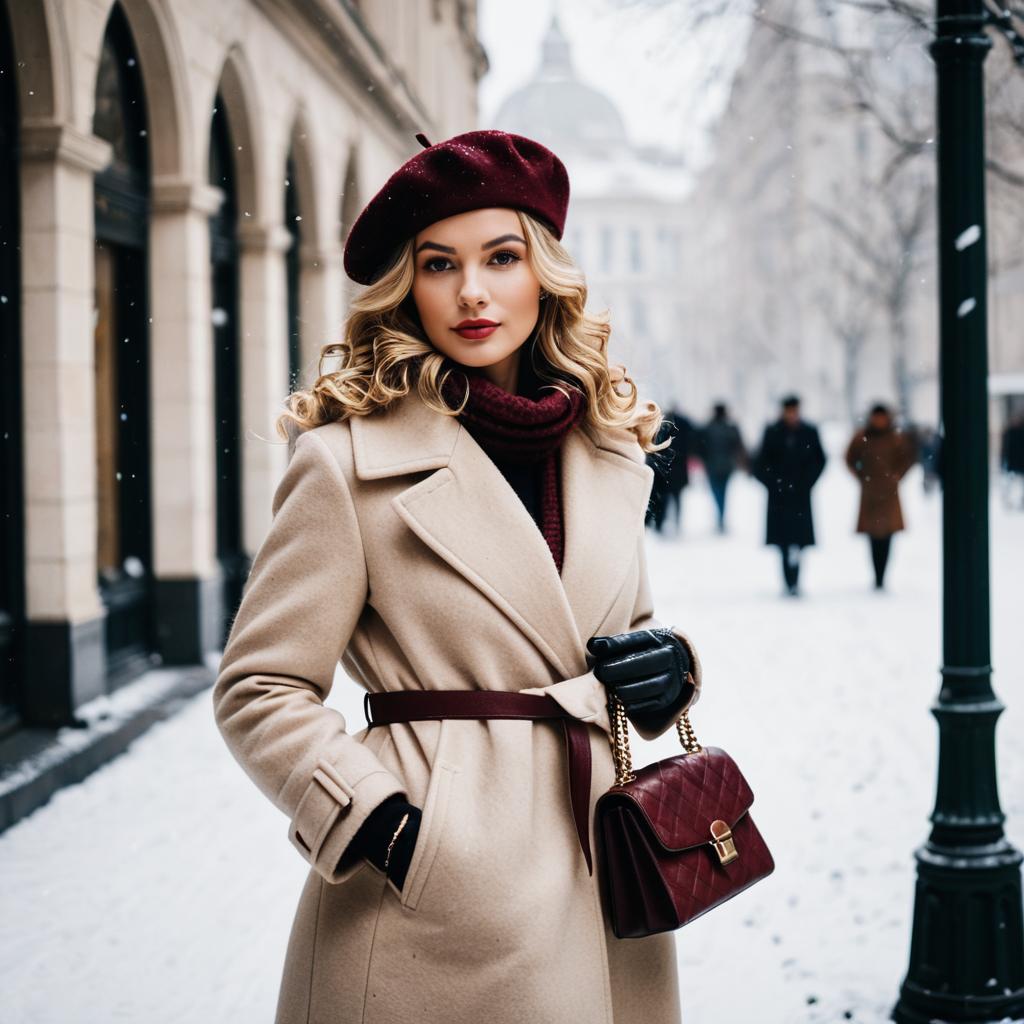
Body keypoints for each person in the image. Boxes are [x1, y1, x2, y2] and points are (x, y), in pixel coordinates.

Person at [212, 130, 703, 1024]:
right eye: (439, 264)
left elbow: (611, 629)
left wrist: (667, 667)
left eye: (501, 257)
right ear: (410, 288)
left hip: (600, 874)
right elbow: (259, 687)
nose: (472, 292)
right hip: (432, 911)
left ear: (542, 273)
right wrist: (387, 828)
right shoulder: (348, 463)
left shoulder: (603, 448)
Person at [752, 395, 827, 596]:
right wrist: (772, 483)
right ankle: (788, 581)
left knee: (800, 540)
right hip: (780, 496)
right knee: (783, 541)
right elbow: (759, 463)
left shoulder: (809, 432)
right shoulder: (773, 432)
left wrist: (808, 482)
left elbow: (819, 460)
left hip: (801, 495)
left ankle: (795, 578)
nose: (792, 415)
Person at [845, 404, 918, 590]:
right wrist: (861, 475)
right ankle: (876, 574)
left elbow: (907, 459)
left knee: (887, 536)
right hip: (870, 493)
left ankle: (882, 575)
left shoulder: (895, 438)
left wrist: (896, 477)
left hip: (889, 494)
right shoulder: (862, 437)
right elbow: (849, 458)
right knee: (873, 537)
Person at [698, 402, 746, 533]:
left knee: (717, 492)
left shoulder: (708, 428)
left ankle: (720, 517)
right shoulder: (730, 428)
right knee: (723, 493)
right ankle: (721, 517)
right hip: (726, 466)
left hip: (712, 466)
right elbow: (738, 446)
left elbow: (700, 447)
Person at [646, 407, 693, 536]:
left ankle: (662, 522)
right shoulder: (683, 432)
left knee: (664, 497)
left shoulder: (662, 429)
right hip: (677, 470)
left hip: (665, 469)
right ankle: (676, 520)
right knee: (677, 497)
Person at [1001, 412, 1024, 510]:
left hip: (1016, 463)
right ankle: (1009, 502)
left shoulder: (1012, 432)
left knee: (1014, 484)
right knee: (1011, 484)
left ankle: (1014, 502)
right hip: (1015, 463)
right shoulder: (1011, 432)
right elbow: (1006, 449)